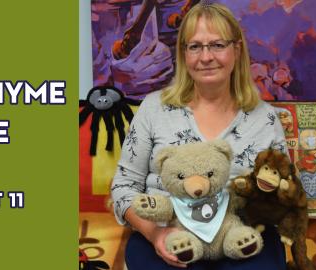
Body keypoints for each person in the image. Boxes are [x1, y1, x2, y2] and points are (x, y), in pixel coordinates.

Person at [111, 3, 288, 270]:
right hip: (170, 238)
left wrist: (270, 199)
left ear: (237, 50)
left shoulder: (266, 118)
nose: (206, 57)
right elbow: (123, 188)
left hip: (240, 237)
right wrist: (155, 234)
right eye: (195, 46)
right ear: (183, 54)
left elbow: (285, 190)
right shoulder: (153, 108)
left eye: (217, 45)